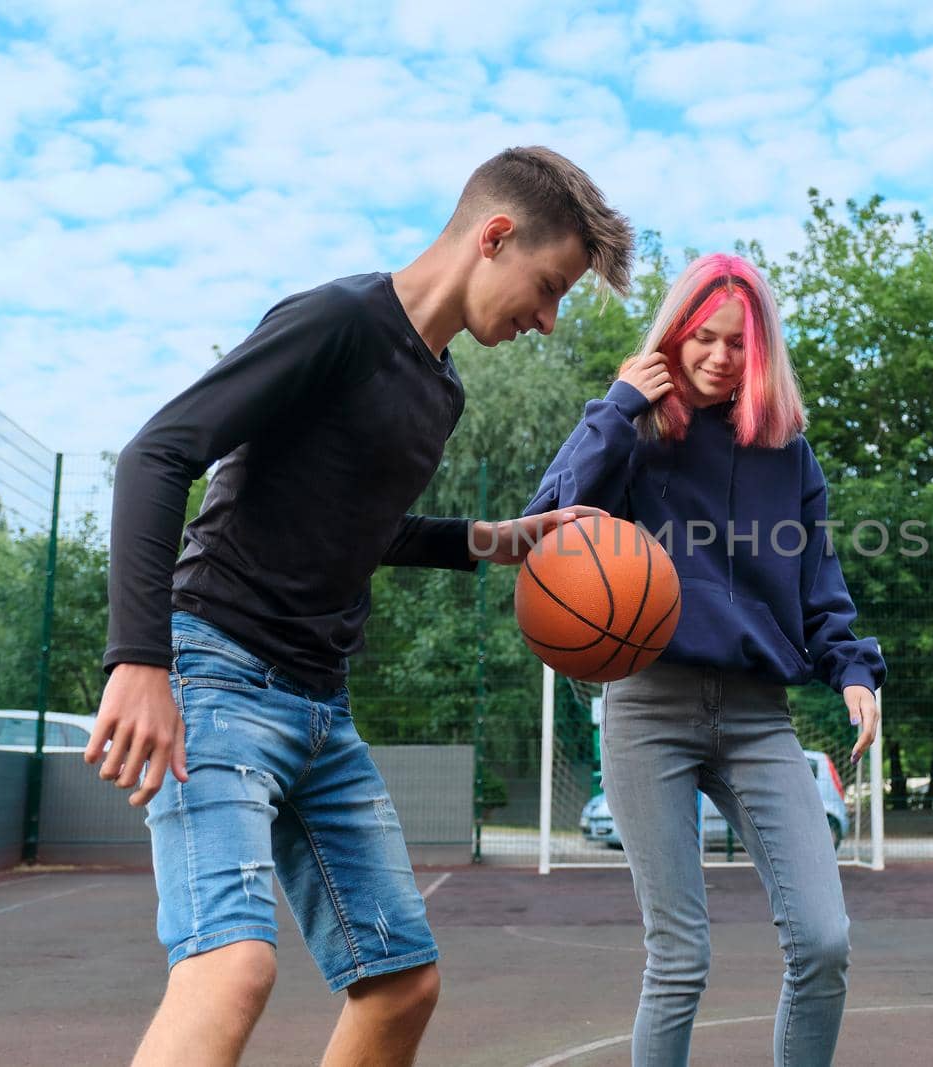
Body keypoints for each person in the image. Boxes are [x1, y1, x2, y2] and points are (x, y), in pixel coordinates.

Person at [86, 146, 632, 1067]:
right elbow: (157, 455)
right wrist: (138, 660)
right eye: (548, 287)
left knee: (401, 984)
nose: (547, 319)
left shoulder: (442, 391)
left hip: (320, 709)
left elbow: (363, 525)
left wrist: (501, 539)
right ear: (494, 237)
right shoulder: (335, 321)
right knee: (231, 965)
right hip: (214, 672)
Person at [525, 252, 886, 1065]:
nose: (720, 357)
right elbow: (544, 522)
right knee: (681, 957)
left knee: (824, 942)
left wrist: (854, 671)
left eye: (739, 345)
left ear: (761, 355)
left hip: (760, 715)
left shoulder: (787, 455)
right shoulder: (631, 434)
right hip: (650, 705)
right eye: (704, 338)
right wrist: (617, 406)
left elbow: (819, 587)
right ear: (674, 336)